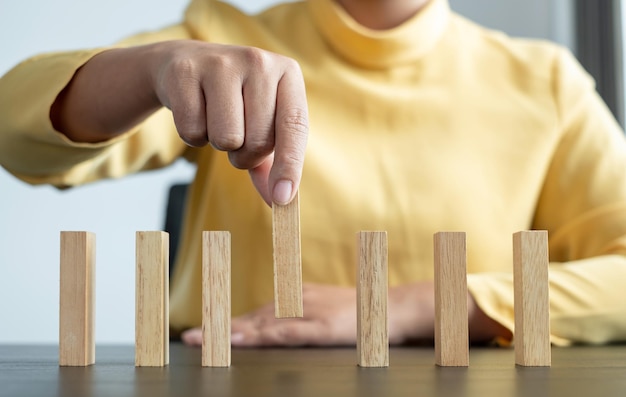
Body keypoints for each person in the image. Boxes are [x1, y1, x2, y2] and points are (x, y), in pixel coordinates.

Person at [2, 0, 626, 348]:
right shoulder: (221, 39)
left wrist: (413, 306)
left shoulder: (546, 83)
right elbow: (14, 136)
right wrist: (152, 70)